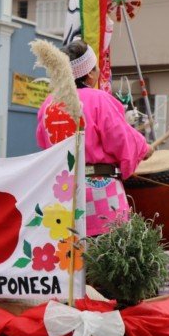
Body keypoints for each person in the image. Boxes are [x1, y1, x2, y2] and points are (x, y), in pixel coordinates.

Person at [36, 40, 153, 236]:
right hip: (99, 192)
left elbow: (43, 143)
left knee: (70, 259)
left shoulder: (48, 104)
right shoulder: (99, 99)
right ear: (89, 73)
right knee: (108, 259)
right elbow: (120, 139)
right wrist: (144, 148)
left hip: (61, 193)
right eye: (96, 67)